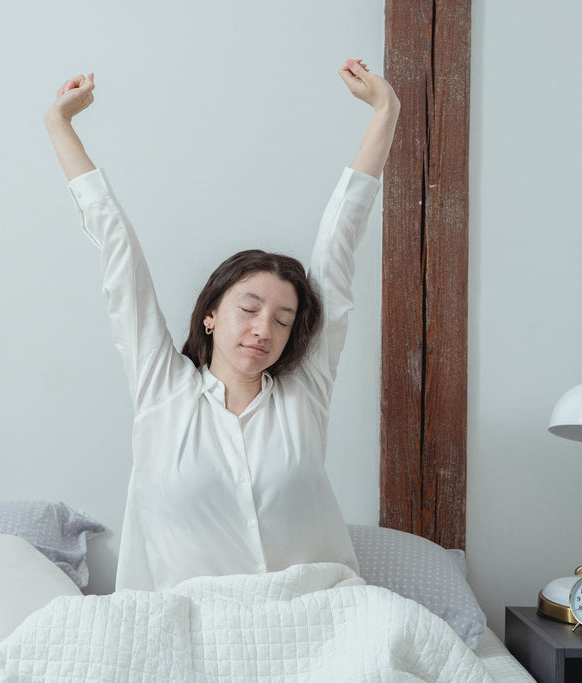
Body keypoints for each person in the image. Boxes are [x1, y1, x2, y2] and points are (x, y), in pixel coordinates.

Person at [44, 60, 400, 591]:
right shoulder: (161, 389)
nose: (264, 329)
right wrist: (59, 124)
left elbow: (339, 243)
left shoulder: (305, 396)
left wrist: (385, 112)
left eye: (283, 319)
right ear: (210, 315)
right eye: (249, 309)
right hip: (185, 629)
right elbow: (119, 253)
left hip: (313, 621)